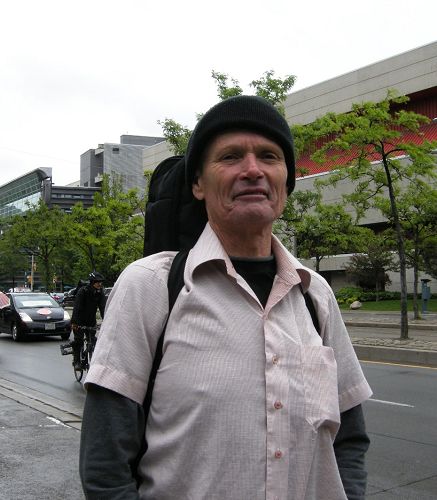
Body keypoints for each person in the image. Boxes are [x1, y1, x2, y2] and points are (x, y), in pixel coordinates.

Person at [80, 96, 372, 499]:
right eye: (231, 157)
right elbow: (105, 464)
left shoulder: (314, 295)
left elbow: (349, 439)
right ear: (198, 183)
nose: (252, 170)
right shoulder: (150, 286)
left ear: (285, 180)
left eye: (269, 156)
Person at [71, 271, 106, 370]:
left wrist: (106, 321)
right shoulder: (83, 291)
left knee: (93, 340)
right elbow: (77, 307)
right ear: (92, 282)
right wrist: (74, 323)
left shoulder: (100, 293)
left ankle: (91, 356)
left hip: (91, 321)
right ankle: (77, 361)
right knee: (78, 341)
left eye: (101, 282)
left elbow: (103, 308)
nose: (100, 284)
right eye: (97, 282)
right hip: (79, 321)